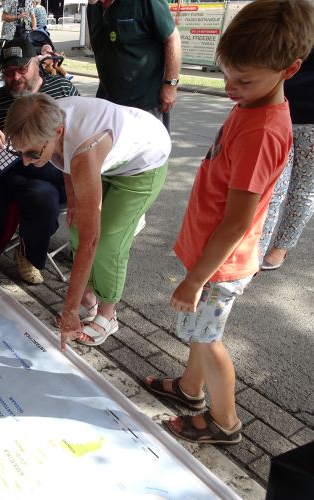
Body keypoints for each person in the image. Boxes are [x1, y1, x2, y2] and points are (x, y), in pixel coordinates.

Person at [142, 0, 314, 445]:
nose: (230, 87)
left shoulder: (262, 131)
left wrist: (195, 279)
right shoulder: (252, 106)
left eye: (244, 80)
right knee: (200, 332)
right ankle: (189, 388)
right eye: (226, 75)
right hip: (213, 258)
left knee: (207, 339)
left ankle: (224, 422)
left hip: (220, 266)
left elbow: (237, 221)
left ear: (290, 70)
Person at [4, 93, 170, 346]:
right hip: (105, 155)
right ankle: (88, 299)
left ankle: (108, 314)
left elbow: (91, 241)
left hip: (145, 159)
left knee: (108, 240)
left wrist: (69, 310)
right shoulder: (48, 120)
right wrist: (73, 201)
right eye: (19, 153)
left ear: (58, 131)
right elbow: (65, 159)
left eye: (33, 153)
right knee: (75, 226)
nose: (26, 162)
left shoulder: (83, 150)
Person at [0, 37, 79, 285]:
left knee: (50, 188)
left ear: (36, 63)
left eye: (21, 69)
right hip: (18, 171)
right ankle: (25, 253)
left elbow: (81, 127)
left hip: (61, 168)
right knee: (40, 195)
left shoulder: (62, 88)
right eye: (8, 72)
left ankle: (29, 251)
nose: (15, 77)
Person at [86, 0, 181, 133]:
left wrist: (171, 85)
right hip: (108, 105)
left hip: (145, 105)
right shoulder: (93, 7)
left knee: (148, 146)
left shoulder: (145, 3)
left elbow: (173, 38)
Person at [259, 52, 314, 271]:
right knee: (271, 188)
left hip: (310, 123)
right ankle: (257, 247)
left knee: (302, 190)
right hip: (279, 110)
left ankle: (281, 247)